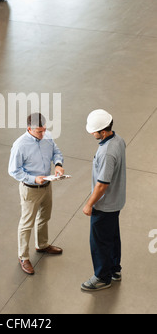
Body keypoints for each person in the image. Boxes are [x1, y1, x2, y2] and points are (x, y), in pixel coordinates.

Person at [8, 113, 65, 275]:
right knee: (27, 224)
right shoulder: (20, 145)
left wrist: (58, 165)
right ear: (29, 129)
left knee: (44, 217)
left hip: (47, 185)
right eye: (39, 131)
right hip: (30, 190)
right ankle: (23, 257)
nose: (43, 134)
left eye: (44, 130)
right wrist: (34, 179)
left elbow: (56, 152)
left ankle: (42, 245)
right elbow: (14, 171)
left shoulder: (47, 136)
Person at [81, 109, 126, 291]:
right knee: (113, 236)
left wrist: (89, 204)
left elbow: (102, 185)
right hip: (116, 201)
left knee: (99, 242)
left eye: (94, 131)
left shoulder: (106, 152)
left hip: (105, 205)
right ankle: (115, 269)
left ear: (104, 132)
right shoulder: (119, 140)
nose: (92, 133)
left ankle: (102, 276)